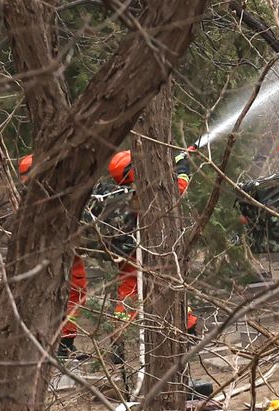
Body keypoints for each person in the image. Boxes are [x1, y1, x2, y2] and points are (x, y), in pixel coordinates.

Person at [107, 146, 199, 334]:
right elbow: (178, 189)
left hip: (126, 252)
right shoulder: (146, 194)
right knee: (168, 287)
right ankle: (188, 328)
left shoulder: (118, 194)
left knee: (128, 291)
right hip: (150, 250)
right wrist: (183, 165)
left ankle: (118, 336)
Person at [18, 154, 88, 358]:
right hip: (53, 256)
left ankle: (65, 344)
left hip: (68, 254)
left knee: (74, 295)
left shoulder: (55, 193)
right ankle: (53, 343)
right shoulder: (37, 201)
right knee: (55, 297)